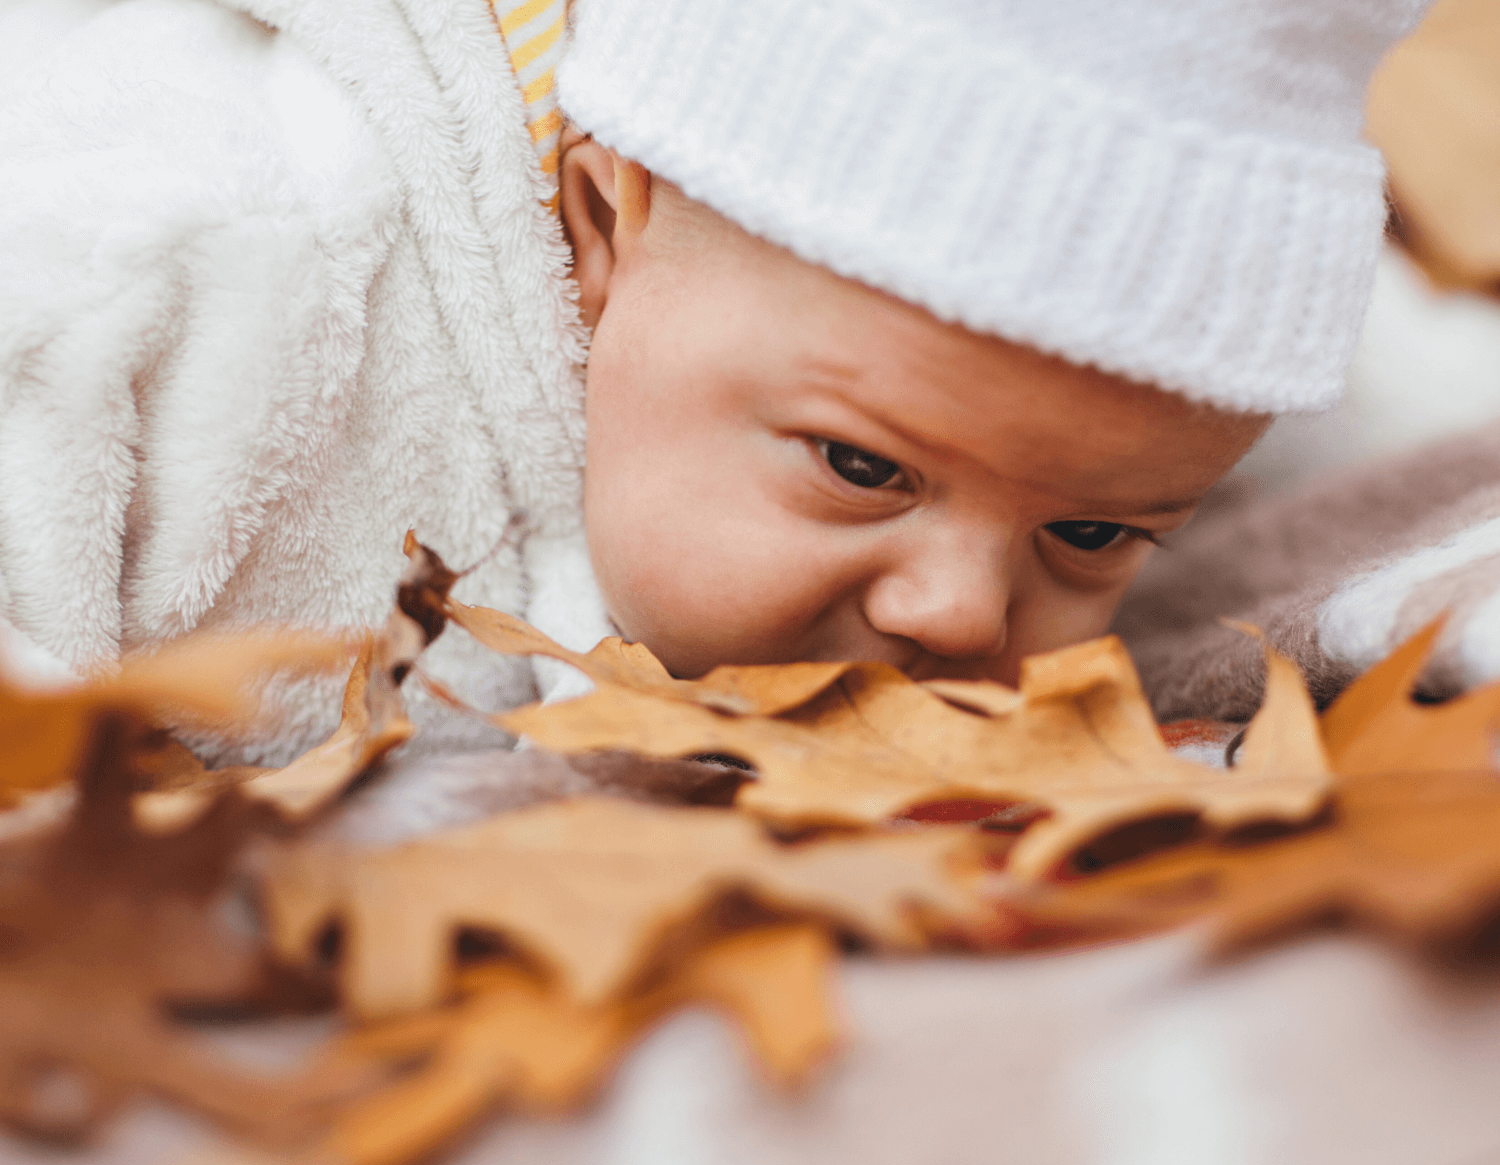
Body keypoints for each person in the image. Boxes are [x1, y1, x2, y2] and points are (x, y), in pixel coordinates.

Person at [0, 0, 1428, 760]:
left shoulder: (1074, 400)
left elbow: (1417, 427)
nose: (960, 613)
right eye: (862, 467)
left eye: (1095, 535)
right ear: (602, 231)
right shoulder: (191, 268)